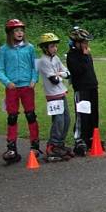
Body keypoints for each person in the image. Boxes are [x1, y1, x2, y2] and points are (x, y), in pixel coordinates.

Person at [0, 18, 40, 163]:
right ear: (10, 33)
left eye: (21, 30)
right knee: (12, 117)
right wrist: (7, 82)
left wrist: (34, 79)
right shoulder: (4, 50)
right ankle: (11, 147)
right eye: (16, 31)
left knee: (31, 115)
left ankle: (35, 145)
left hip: (27, 86)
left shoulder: (30, 48)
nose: (20, 33)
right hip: (12, 87)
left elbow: (35, 66)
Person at [36, 33, 74, 162]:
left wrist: (60, 74)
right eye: (52, 46)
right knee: (58, 121)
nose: (55, 49)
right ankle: (52, 145)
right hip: (52, 95)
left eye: (55, 46)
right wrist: (60, 75)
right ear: (45, 48)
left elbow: (68, 73)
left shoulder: (56, 58)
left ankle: (60, 143)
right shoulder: (43, 61)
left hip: (62, 93)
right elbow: (54, 80)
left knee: (67, 120)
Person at [67, 26, 100, 156]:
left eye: (87, 42)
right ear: (77, 43)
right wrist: (85, 57)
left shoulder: (87, 54)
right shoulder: (72, 56)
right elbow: (78, 71)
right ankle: (79, 139)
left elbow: (90, 70)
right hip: (81, 88)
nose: (87, 45)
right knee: (82, 114)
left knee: (93, 114)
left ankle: (92, 137)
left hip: (92, 86)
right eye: (84, 42)